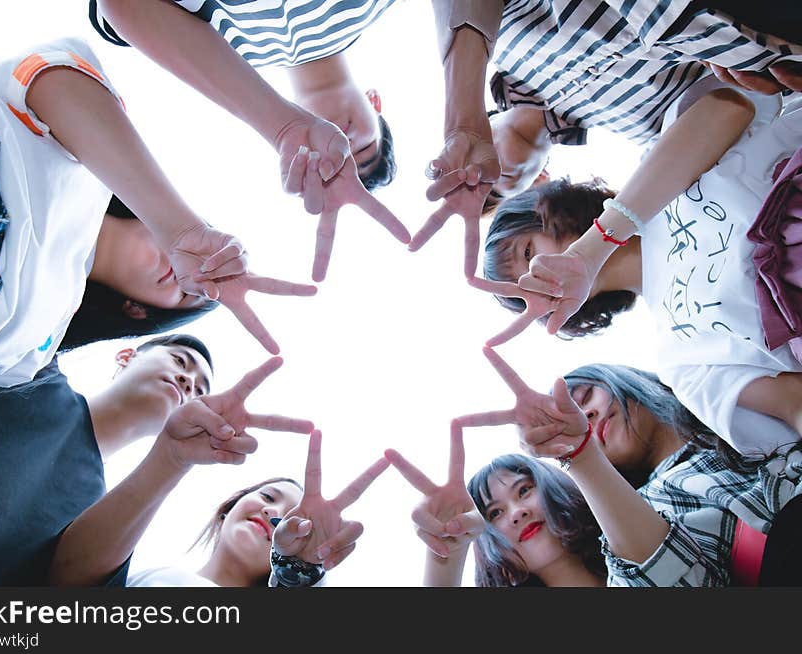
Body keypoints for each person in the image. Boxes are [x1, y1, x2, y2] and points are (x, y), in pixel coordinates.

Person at [0, 25, 315, 408]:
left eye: (185, 294)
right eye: (202, 269)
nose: (189, 277)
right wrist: (183, 230)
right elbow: (46, 75)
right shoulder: (90, 166)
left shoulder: (35, 348)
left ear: (137, 310)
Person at [469, 74, 802, 453]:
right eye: (524, 293)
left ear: (545, 210)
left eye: (527, 253)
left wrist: (589, 251)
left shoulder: (655, 163)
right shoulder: (680, 362)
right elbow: (794, 404)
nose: (537, 277)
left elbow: (731, 108)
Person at [413, 0, 802, 275]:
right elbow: (734, 101)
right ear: (538, 184)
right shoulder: (646, 131)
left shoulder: (503, 33)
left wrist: (463, 119)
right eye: (497, 194)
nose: (491, 179)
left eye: (476, 176)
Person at [90, 0, 410, 281]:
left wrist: (282, 126)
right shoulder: (374, 7)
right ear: (376, 102)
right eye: (362, 150)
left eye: (331, 166)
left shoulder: (214, 49)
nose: (341, 149)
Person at [456, 348, 802, 586]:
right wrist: (579, 453)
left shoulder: (715, 386)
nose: (587, 416)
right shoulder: (652, 509)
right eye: (495, 513)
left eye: (587, 398)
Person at [0, 333, 214, 585]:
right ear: (126, 356)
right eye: (180, 361)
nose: (188, 381)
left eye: (200, 391)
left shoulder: (99, 526)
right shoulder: (32, 371)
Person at [51, 429, 388, 587]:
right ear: (228, 509)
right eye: (269, 498)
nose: (274, 516)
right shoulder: (146, 578)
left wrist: (298, 568)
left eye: (291, 521)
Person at [385, 425, 605, 587]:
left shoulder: (632, 541)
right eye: (496, 513)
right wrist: (447, 549)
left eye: (524, 491)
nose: (517, 513)